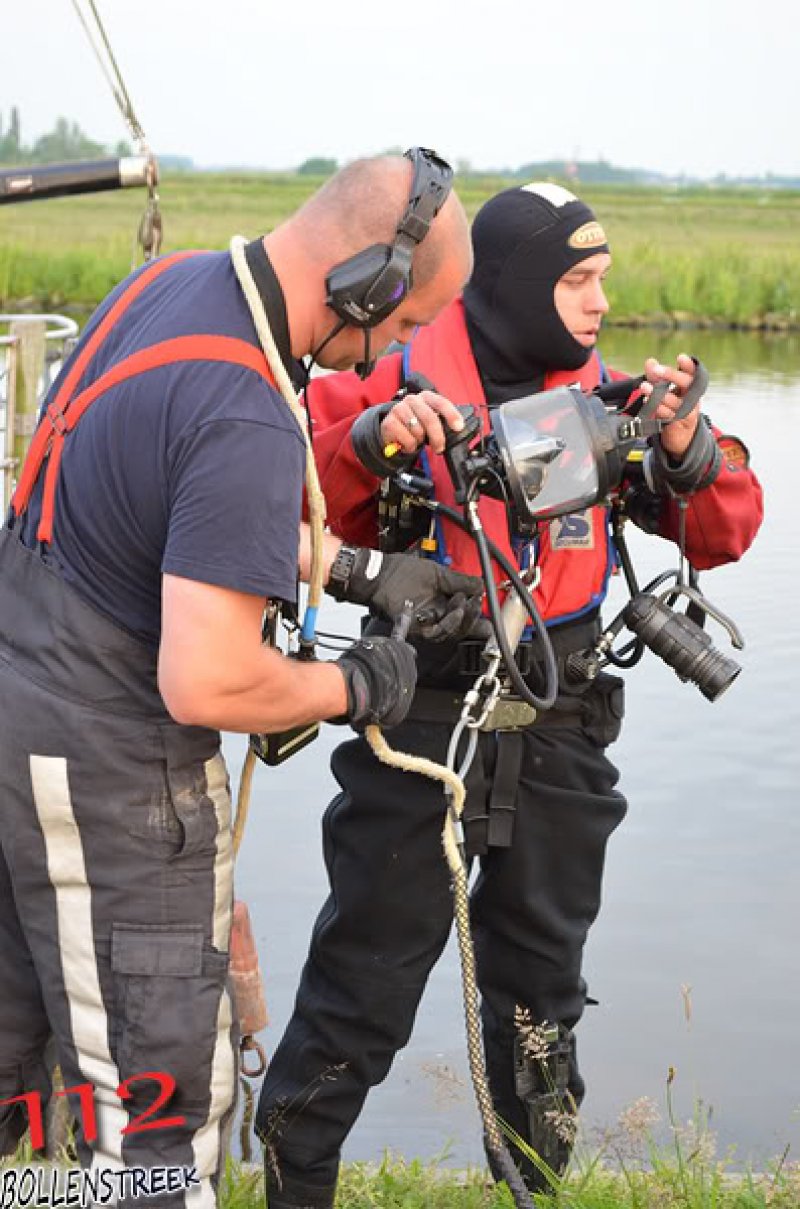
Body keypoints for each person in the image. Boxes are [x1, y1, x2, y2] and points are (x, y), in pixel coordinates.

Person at [255, 182, 764, 1206]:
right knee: (366, 970)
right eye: (576, 280)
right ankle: (293, 1179)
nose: (596, 302)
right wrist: (373, 443)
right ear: (522, 283)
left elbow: (724, 529)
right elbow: (277, 488)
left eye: (602, 279)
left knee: (542, 993)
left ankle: (532, 1187)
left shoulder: (613, 406)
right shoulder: (392, 380)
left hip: (563, 725)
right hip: (419, 717)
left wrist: (680, 451)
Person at [0, 150, 485, 1206]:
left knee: (17, 1088)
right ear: (370, 282)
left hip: (20, 722)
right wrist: (359, 684)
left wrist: (354, 568)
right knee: (153, 1134)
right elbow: (208, 681)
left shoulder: (166, 287)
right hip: (106, 785)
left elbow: (157, 509)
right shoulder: (244, 409)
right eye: (402, 327)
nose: (396, 350)